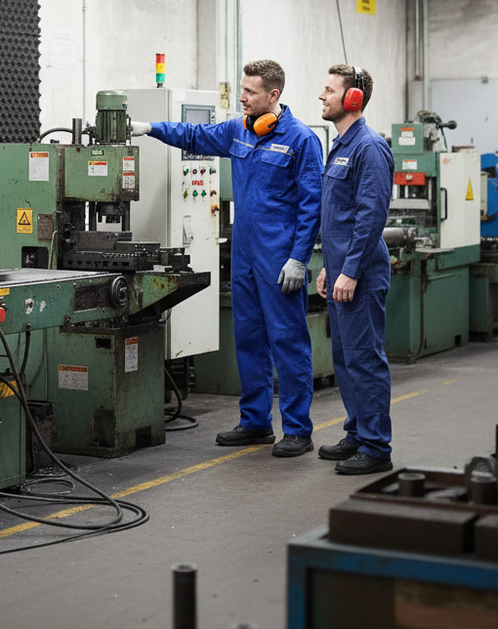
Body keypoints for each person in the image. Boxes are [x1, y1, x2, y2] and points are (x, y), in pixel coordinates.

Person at [132, 60, 323, 457]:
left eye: (249, 92)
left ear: (273, 95)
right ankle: (255, 423)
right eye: (242, 89)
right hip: (245, 256)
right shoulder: (240, 130)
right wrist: (151, 129)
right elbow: (195, 135)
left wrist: (299, 258)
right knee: (249, 339)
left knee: (288, 342)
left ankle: (298, 430)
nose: (241, 98)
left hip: (279, 259)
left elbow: (312, 206)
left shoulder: (301, 140)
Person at [315, 65, 395, 475]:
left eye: (329, 90)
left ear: (352, 99)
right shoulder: (341, 146)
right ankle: (358, 431)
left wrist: (349, 271)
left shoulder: (368, 148)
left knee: (365, 360)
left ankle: (377, 447)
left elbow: (370, 217)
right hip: (344, 273)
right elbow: (338, 218)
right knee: (346, 361)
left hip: (360, 279)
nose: (321, 96)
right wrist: (331, 268)